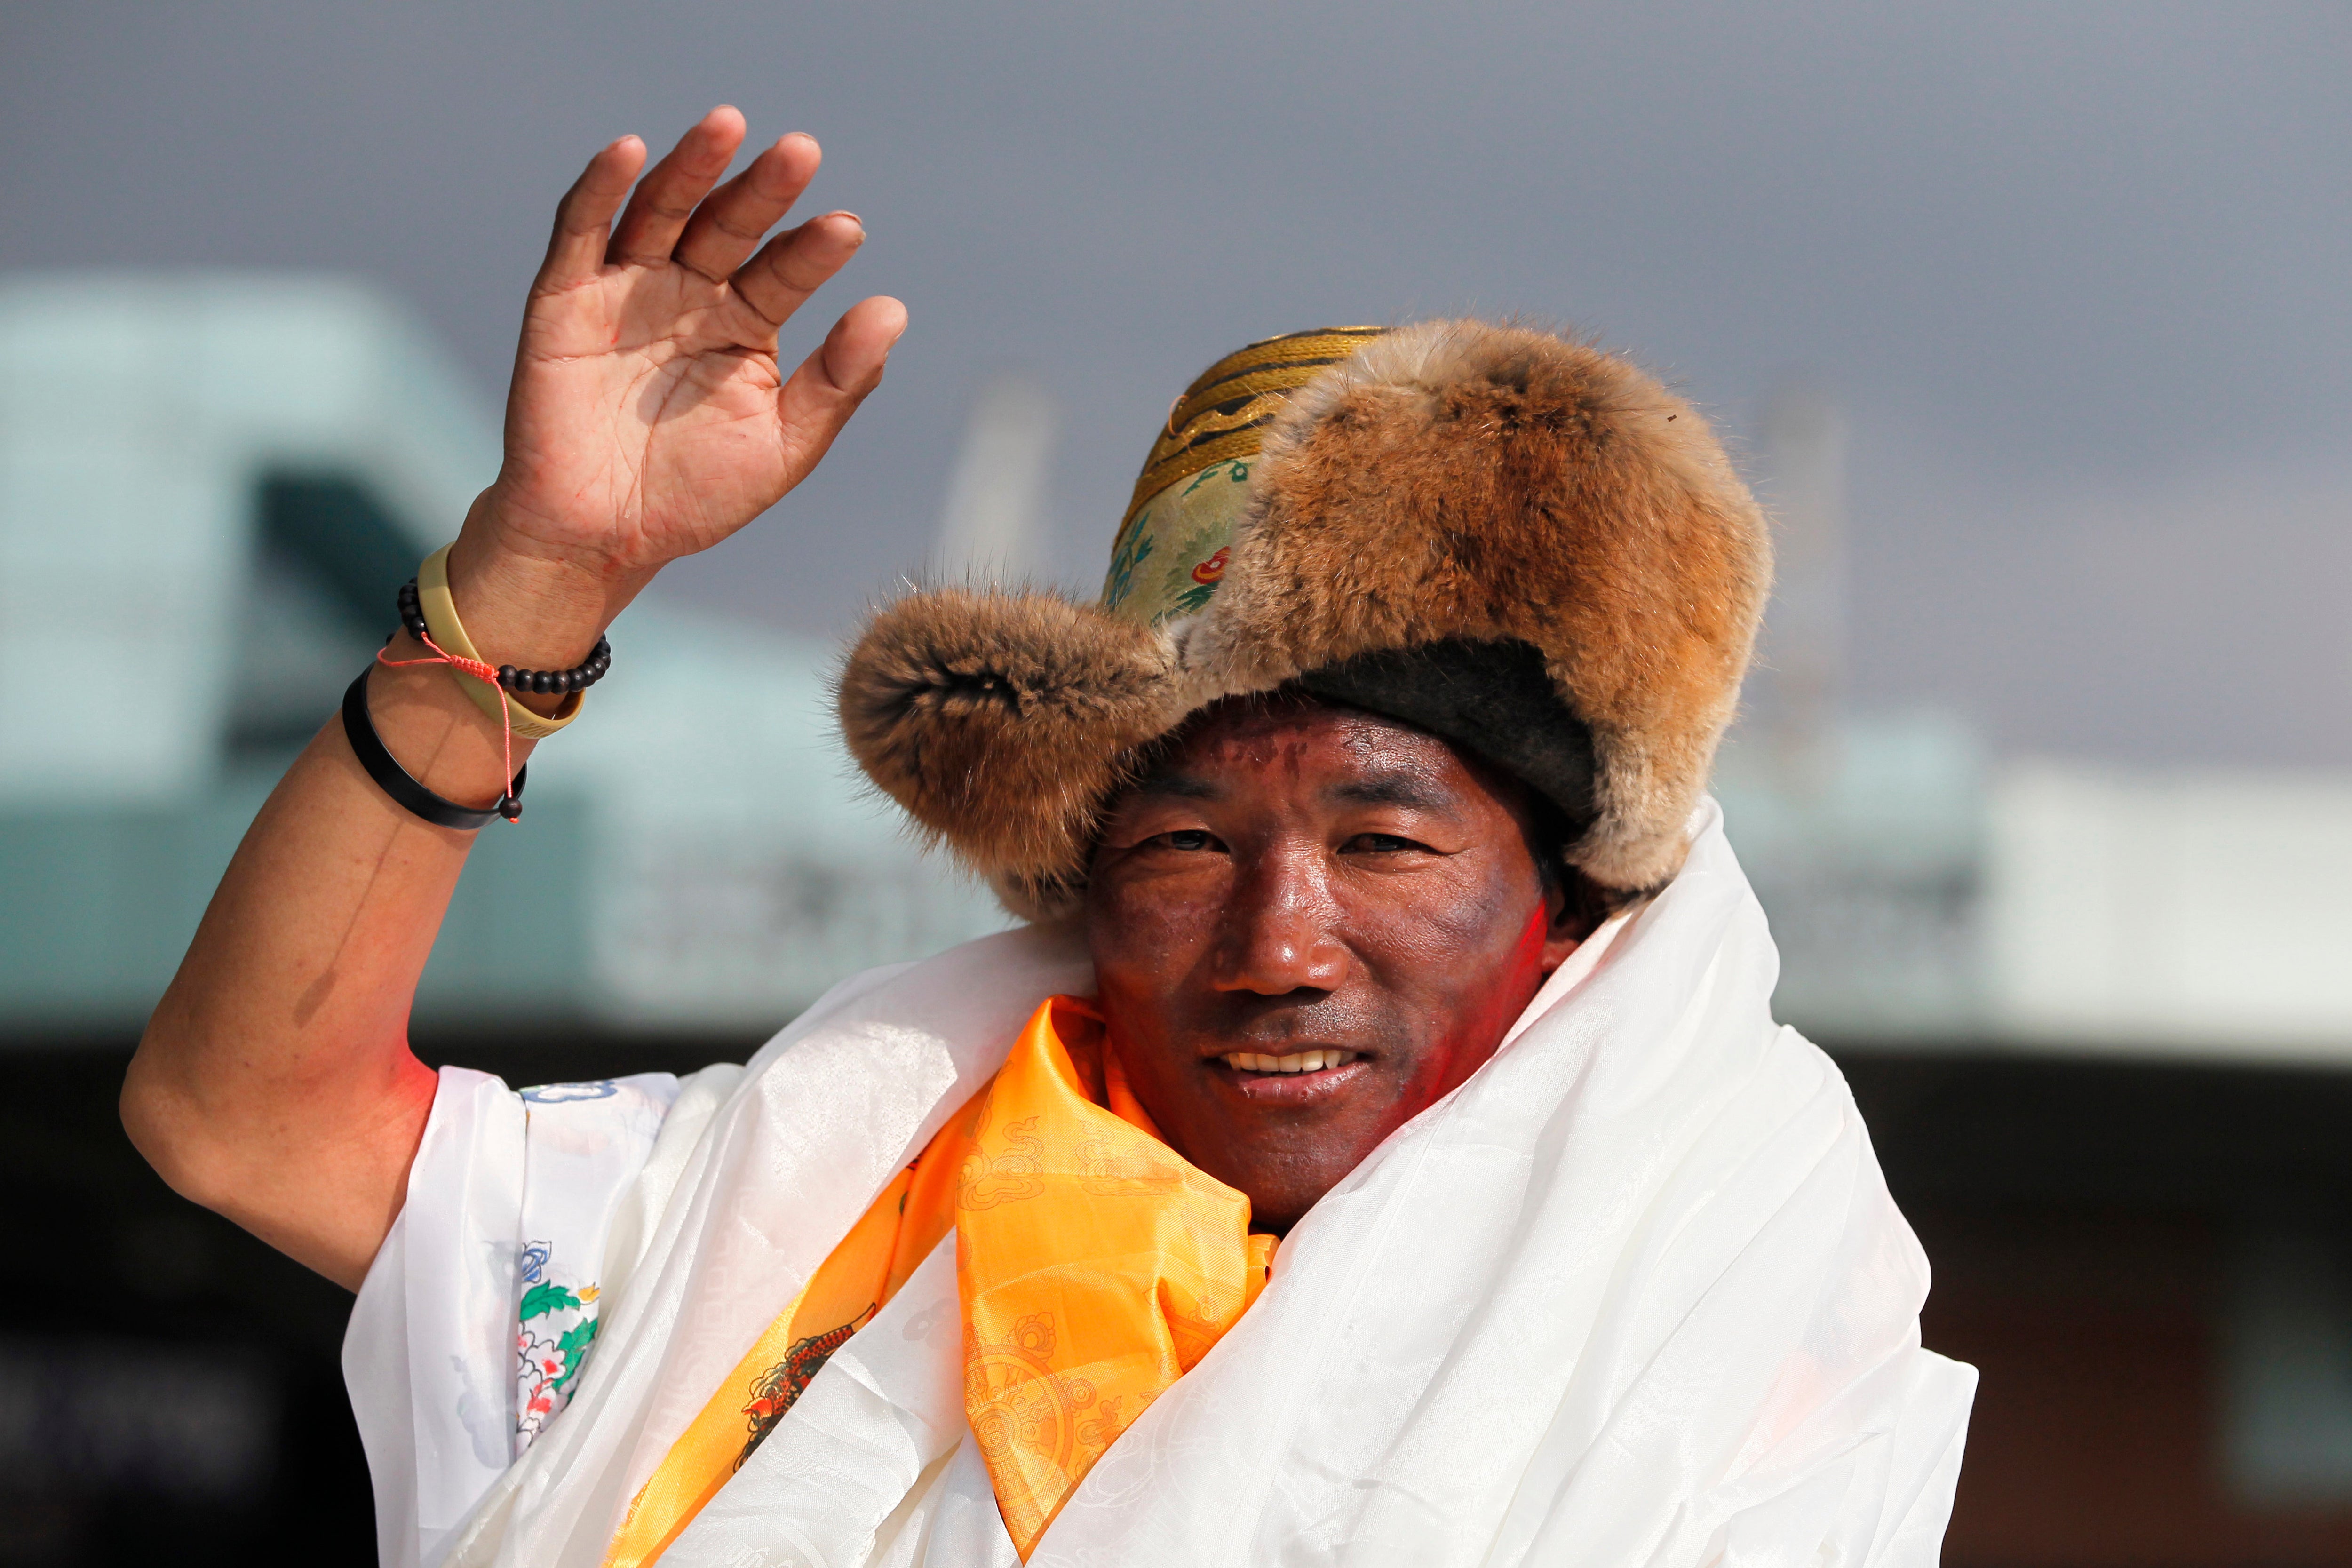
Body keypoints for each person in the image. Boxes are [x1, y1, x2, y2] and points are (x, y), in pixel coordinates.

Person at [123, 108, 1974, 1568]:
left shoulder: (1733, 1334)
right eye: (1184, 844)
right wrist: (536, 575)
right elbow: (242, 1118)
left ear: (1556, 908)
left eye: (1386, 840)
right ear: (1085, 879)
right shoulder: (811, 1221)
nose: (1275, 939)